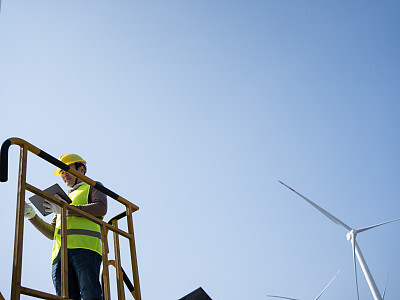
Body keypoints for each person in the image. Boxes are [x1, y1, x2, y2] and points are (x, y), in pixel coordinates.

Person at [24, 154, 107, 300]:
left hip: (85, 249)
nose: (64, 175)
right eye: (62, 172)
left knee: (90, 295)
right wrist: (32, 216)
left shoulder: (92, 186)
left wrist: (67, 209)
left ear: (81, 170)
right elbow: (52, 232)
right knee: (65, 297)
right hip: (60, 255)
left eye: (66, 170)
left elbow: (101, 208)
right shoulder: (64, 198)